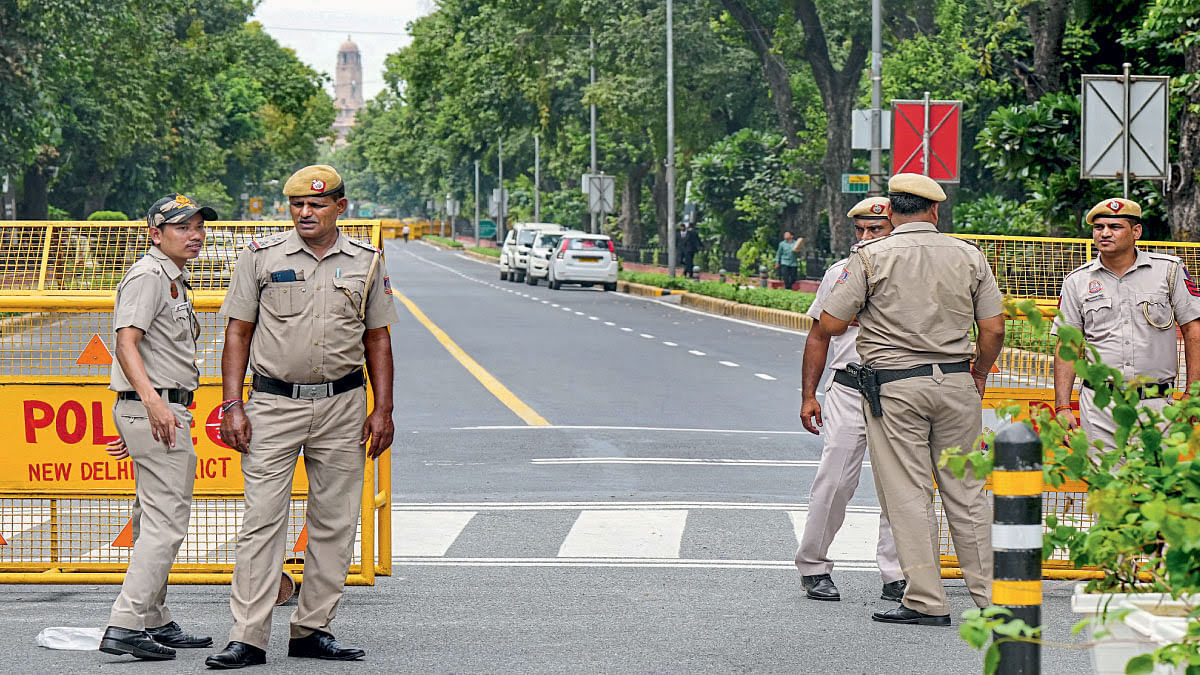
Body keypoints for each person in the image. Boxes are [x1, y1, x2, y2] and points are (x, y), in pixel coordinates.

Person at [207, 165, 398, 668]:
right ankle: (247, 637)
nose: (305, 213)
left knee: (334, 522)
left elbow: (377, 338)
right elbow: (237, 333)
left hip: (343, 405)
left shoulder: (367, 261)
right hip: (272, 405)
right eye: (296, 205)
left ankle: (312, 629)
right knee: (261, 522)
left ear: (341, 207)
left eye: (315, 205)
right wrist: (233, 404)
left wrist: (384, 408)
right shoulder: (261, 257)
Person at [819, 173, 1004, 626]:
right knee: (967, 493)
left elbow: (830, 324)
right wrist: (977, 372)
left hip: (895, 388)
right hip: (959, 384)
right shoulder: (969, 255)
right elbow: (995, 330)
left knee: (908, 494)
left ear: (892, 212)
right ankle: (993, 599)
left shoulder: (871, 257)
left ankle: (926, 600)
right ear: (935, 211)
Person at [99, 194, 218, 661]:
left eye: (198, 227)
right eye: (182, 227)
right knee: (166, 524)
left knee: (150, 518)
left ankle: (154, 619)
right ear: (155, 233)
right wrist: (151, 405)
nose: (195, 235)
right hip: (158, 408)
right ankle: (126, 622)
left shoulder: (171, 278)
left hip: (157, 409)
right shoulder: (149, 276)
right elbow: (126, 344)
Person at [796, 196, 904, 603]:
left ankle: (896, 574)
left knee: (899, 485)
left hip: (898, 390)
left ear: (895, 227)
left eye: (875, 230)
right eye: (859, 230)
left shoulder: (908, 274)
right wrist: (809, 395)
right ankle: (813, 565)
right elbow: (818, 335)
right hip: (847, 388)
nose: (865, 238)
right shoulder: (839, 274)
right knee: (835, 480)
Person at [1053, 198, 1200, 449]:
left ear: (1136, 232)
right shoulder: (1076, 281)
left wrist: (1192, 394)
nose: (1105, 233)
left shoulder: (1168, 271)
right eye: (1099, 227)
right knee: (1104, 485)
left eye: (1115, 227)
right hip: (1099, 406)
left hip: (1155, 405)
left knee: (1153, 484)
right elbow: (1068, 345)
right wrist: (1063, 406)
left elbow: (1193, 331)